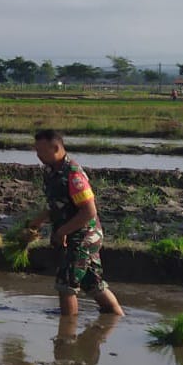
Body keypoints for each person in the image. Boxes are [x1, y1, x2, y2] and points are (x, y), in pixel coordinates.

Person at [28, 129, 125, 319]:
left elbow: (89, 212)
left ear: (55, 148)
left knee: (66, 285)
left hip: (84, 236)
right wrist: (36, 222)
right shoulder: (51, 172)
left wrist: (62, 231)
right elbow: (57, 206)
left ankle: (67, 335)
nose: (37, 155)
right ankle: (115, 317)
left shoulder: (73, 174)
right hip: (73, 234)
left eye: (40, 151)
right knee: (92, 283)